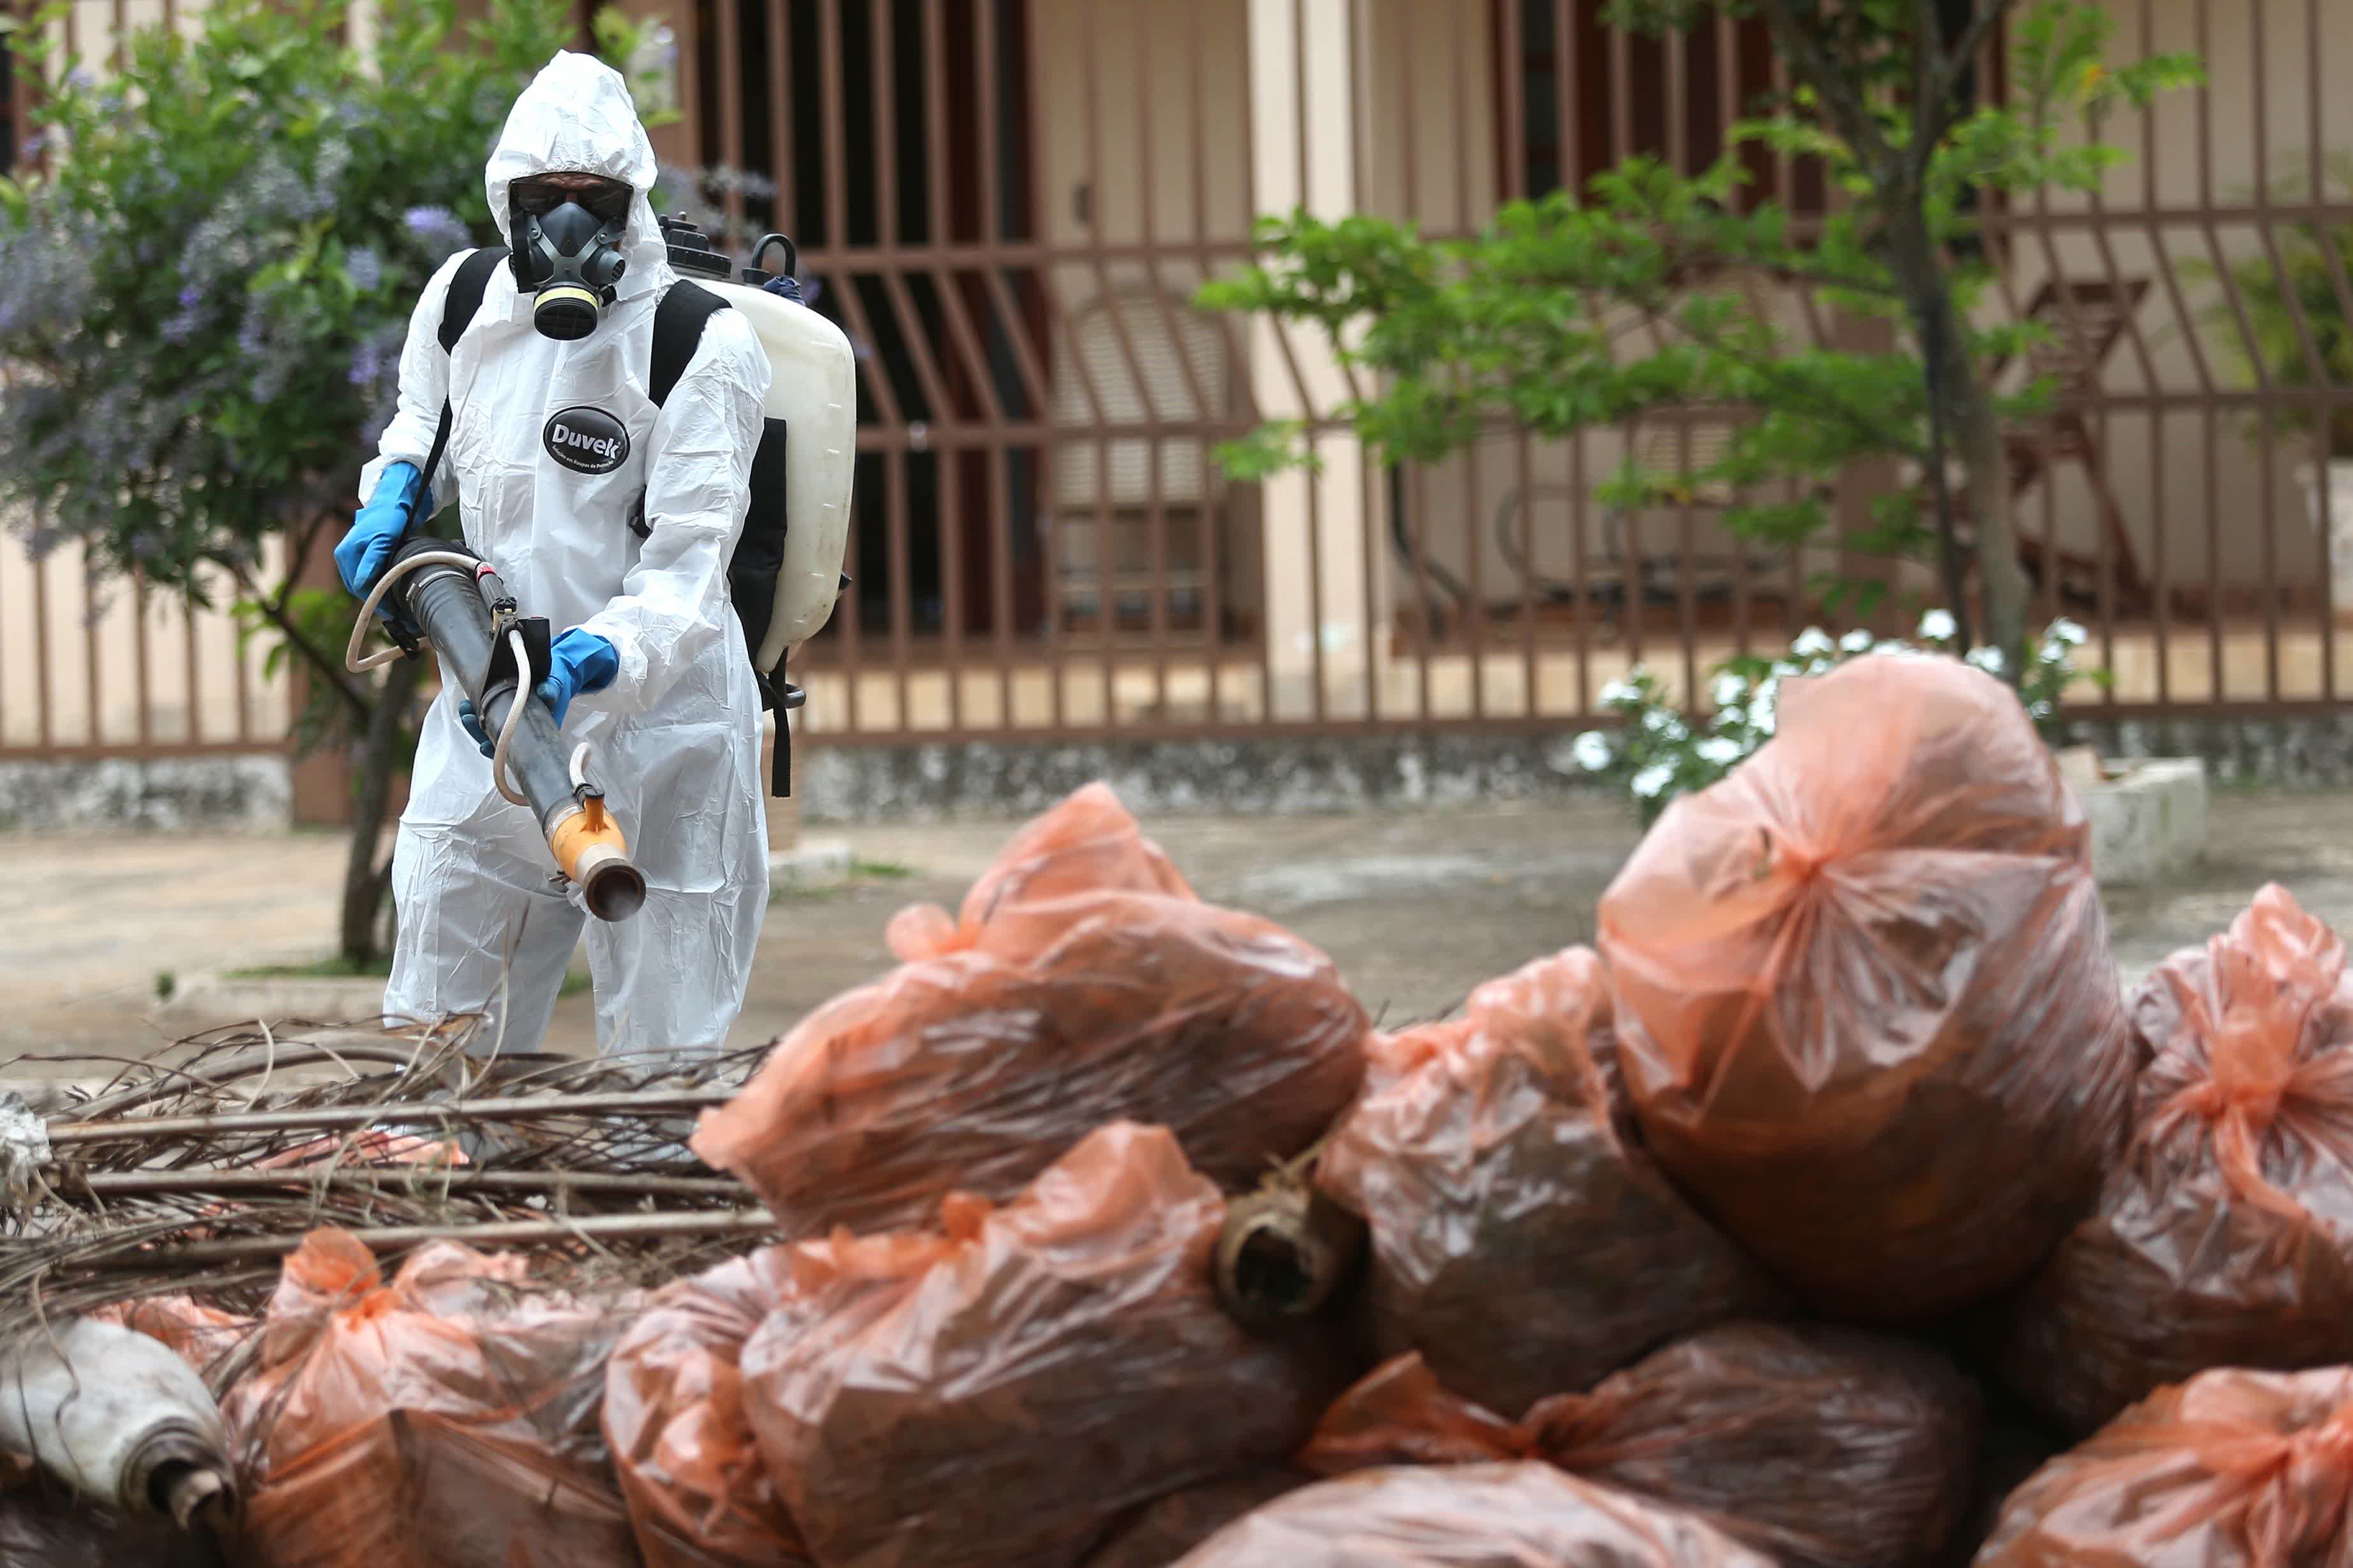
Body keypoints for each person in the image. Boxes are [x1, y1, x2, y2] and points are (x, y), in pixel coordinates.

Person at [336, 51, 773, 1058]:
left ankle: (646, 1201)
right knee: (442, 1034)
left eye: (595, 199)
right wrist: (390, 500)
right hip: (489, 708)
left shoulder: (699, 343)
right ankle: (447, 1199)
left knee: (662, 1059)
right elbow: (418, 428)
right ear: (506, 202)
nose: (567, 225)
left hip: (667, 734)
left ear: (633, 204)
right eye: (543, 198)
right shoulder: (462, 304)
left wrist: (589, 662)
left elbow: (688, 571)